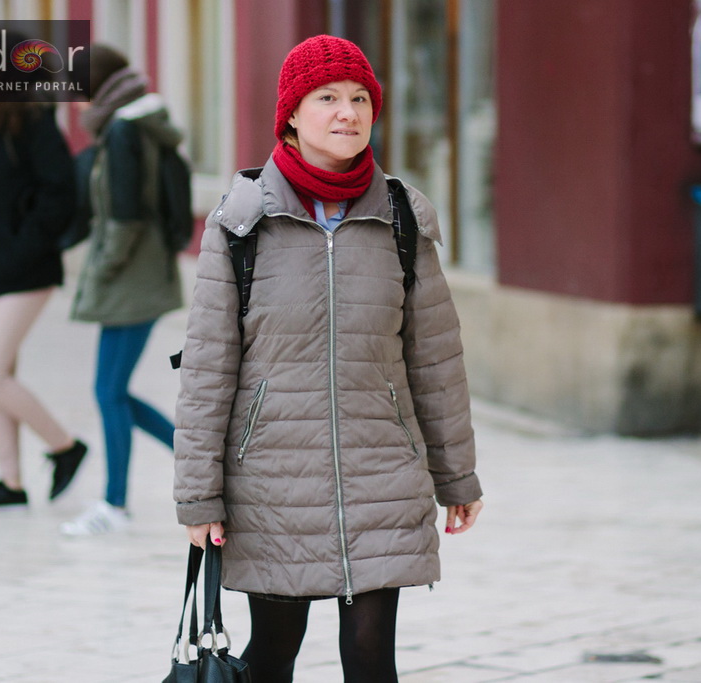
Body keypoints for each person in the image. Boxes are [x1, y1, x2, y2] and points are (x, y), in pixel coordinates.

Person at [173, 35, 484, 682]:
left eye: (359, 98)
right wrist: (199, 495)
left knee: (373, 658)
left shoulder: (402, 217)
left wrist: (457, 476)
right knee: (273, 653)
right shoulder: (241, 223)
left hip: (382, 477)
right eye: (327, 98)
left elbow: (435, 359)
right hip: (273, 481)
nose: (348, 112)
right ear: (291, 112)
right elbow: (208, 369)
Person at [0, 30, 87, 509]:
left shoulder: (36, 125)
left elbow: (59, 197)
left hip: (26, 272)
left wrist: (15, 248)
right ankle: (10, 481)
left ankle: (65, 447)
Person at [60, 45, 183, 536]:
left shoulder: (124, 131)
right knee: (110, 390)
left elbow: (126, 216)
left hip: (132, 274)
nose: (74, 103)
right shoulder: (132, 125)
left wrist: (102, 269)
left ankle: (114, 504)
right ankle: (206, 464)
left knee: (108, 391)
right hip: (142, 271)